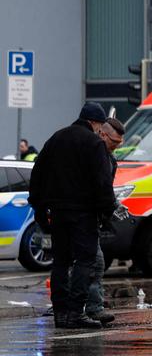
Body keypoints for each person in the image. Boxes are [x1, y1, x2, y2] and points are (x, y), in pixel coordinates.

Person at [29, 102, 117, 329]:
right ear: (95, 123)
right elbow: (102, 182)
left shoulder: (56, 139)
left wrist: (38, 208)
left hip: (57, 212)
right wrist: (107, 213)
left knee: (61, 261)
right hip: (83, 213)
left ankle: (61, 313)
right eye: (100, 125)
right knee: (85, 260)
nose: (100, 130)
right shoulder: (94, 143)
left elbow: (37, 173)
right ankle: (77, 312)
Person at [85, 118, 126, 325]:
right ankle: (92, 308)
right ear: (102, 134)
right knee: (95, 262)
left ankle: (86, 306)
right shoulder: (94, 155)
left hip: (93, 218)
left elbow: (105, 190)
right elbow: (97, 188)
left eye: (120, 143)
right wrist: (112, 206)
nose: (116, 146)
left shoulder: (110, 159)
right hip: (83, 217)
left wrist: (115, 205)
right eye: (114, 142)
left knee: (86, 264)